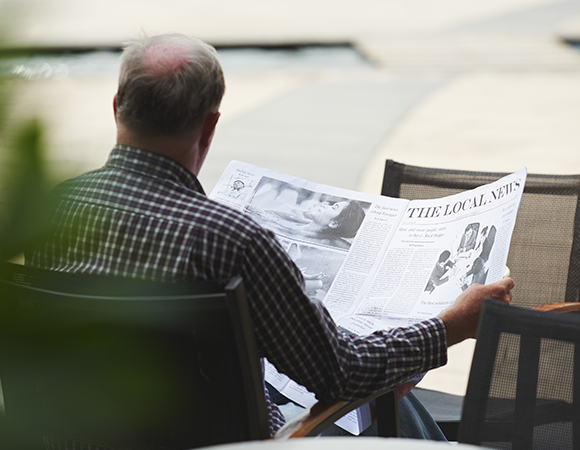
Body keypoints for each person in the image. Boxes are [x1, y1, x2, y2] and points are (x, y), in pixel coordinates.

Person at [26, 32, 514, 440]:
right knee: (391, 403)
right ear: (210, 126)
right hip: (229, 441)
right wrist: (453, 324)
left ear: (117, 107)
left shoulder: (51, 211)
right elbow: (338, 372)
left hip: (89, 436)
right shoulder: (230, 240)